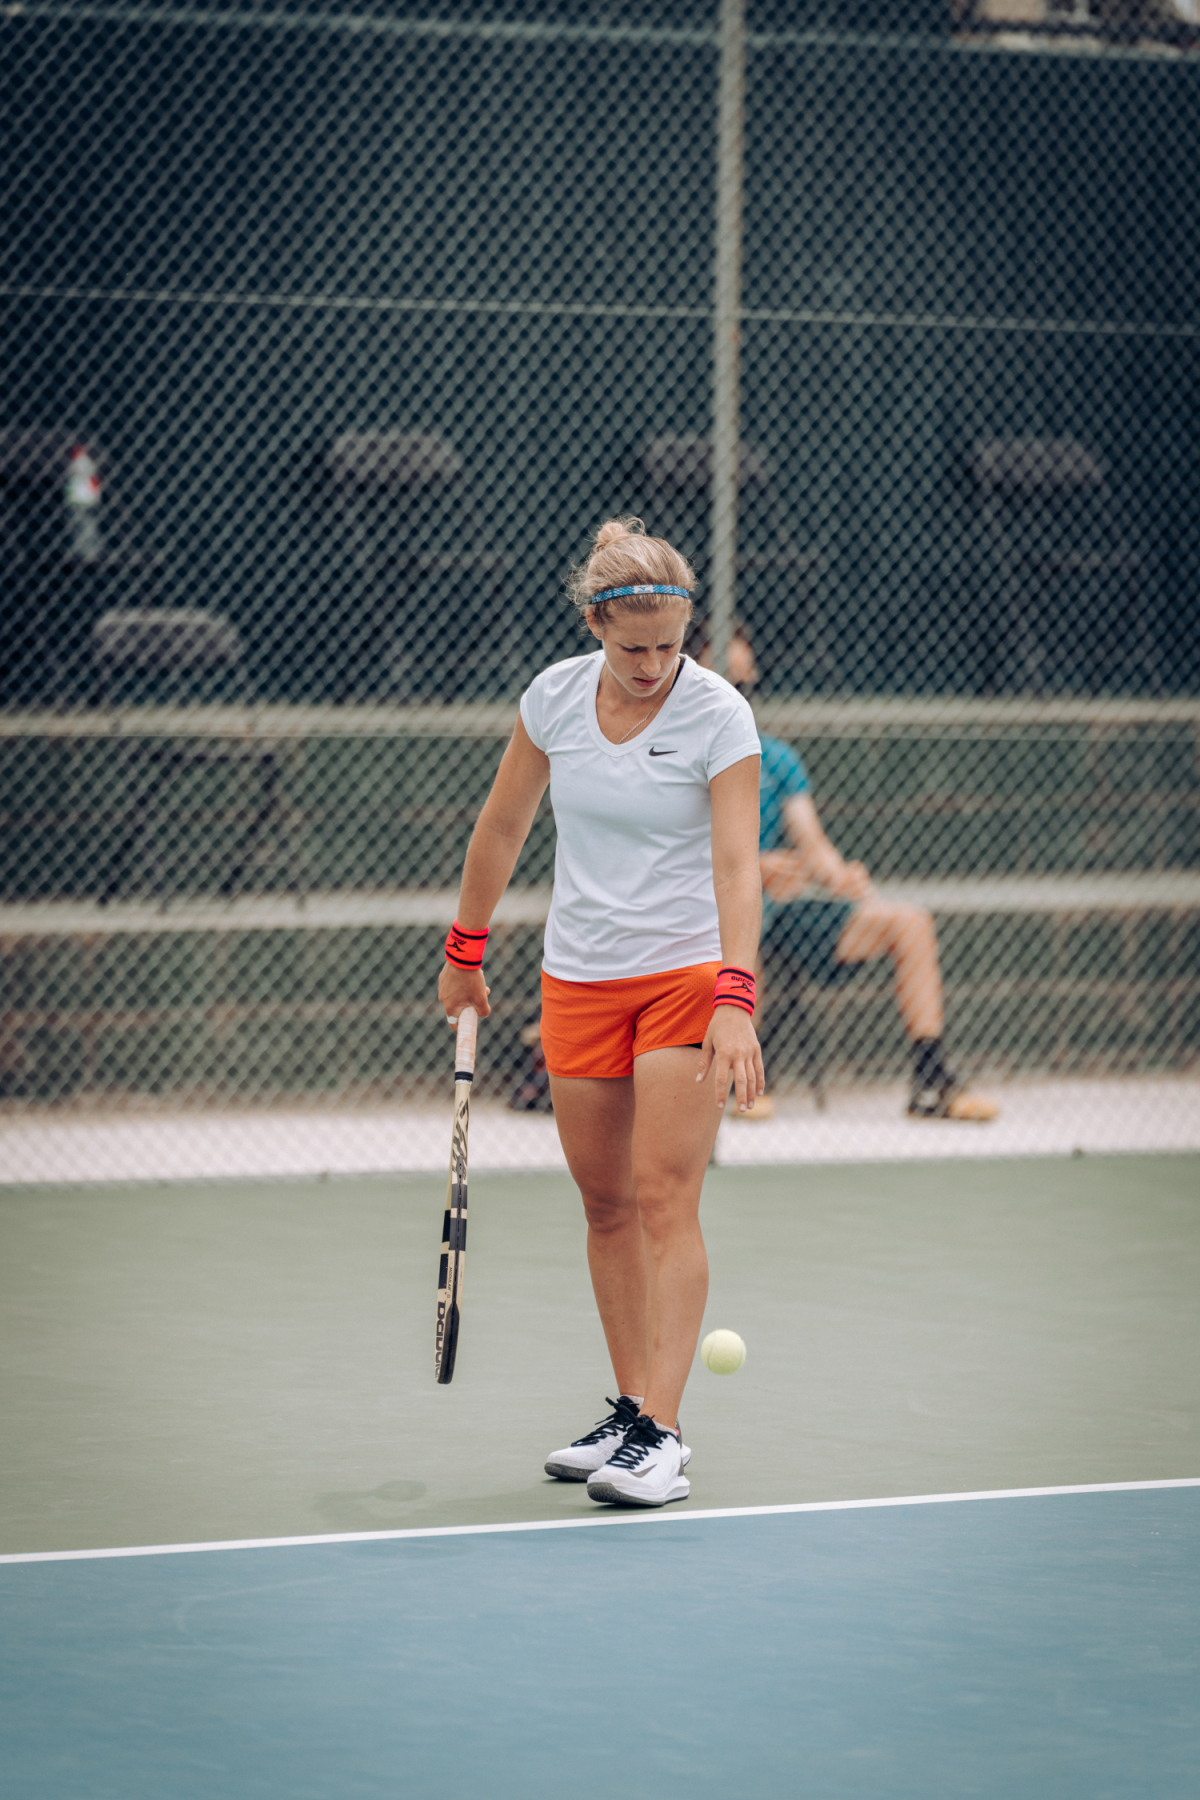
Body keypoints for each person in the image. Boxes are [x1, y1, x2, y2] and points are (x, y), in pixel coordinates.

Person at [438, 519, 764, 1508]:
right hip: (578, 978)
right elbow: (502, 825)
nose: (655, 665)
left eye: (671, 645)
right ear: (595, 625)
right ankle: (628, 1410)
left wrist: (736, 995)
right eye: (634, 649)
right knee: (606, 1204)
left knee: (665, 1197)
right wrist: (464, 951)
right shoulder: (552, 700)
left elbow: (737, 866)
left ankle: (664, 1433)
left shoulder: (719, 715)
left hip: (683, 977)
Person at [710, 629, 998, 1123]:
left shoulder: (775, 758)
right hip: (716, 910)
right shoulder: (678, 758)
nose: (742, 693)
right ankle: (740, 1079)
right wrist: (752, 870)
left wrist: (840, 875)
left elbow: (813, 844)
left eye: (747, 683)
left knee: (910, 923)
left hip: (785, 907)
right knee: (745, 931)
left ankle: (931, 1080)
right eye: (729, 681)